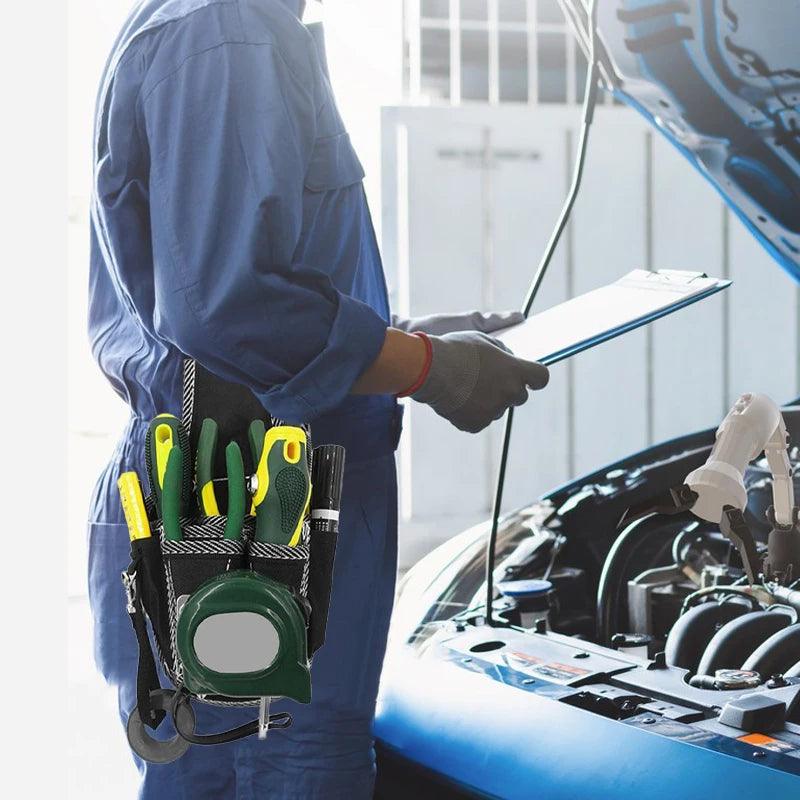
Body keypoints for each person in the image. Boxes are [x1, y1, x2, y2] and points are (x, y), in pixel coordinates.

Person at [87, 1, 549, 797]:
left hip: (234, 474)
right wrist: (427, 367)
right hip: (246, 489)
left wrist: (405, 336)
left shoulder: (218, 26)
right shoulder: (225, 31)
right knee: (276, 772)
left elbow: (232, 288)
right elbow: (223, 307)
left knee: (254, 763)